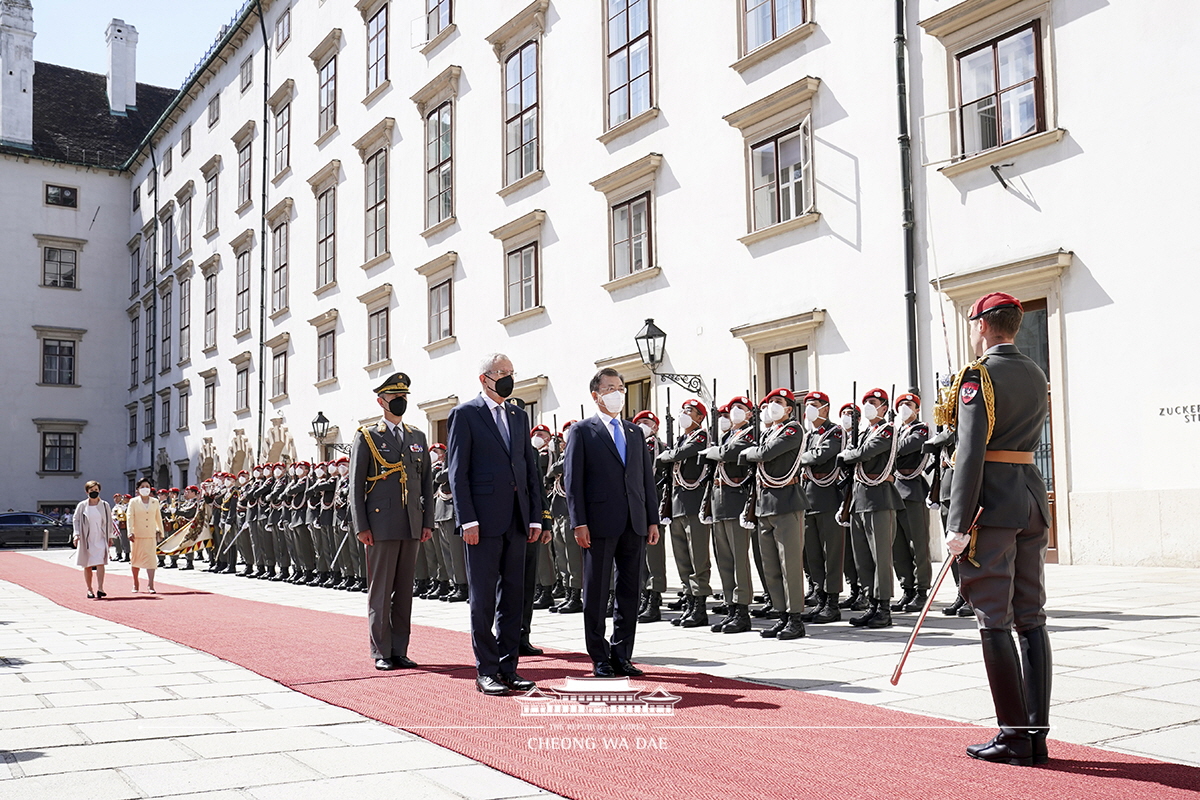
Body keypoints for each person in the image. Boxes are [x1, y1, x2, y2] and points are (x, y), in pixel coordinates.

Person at [943, 292, 1052, 767]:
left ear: (983, 326)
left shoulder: (978, 375)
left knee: (993, 616)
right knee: (1031, 616)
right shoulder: (1034, 371)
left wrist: (957, 523)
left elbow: (969, 452)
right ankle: (1035, 735)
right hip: (1029, 496)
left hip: (992, 505)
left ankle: (1013, 736)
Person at [446, 353, 543, 697]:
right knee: (483, 598)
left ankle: (509, 667)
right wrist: (466, 518)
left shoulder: (518, 415)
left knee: (513, 597)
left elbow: (528, 468)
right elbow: (457, 472)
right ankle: (486, 669)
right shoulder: (465, 414)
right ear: (483, 378)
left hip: (517, 519)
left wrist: (535, 515)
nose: (507, 378)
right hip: (482, 522)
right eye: (501, 372)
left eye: (511, 372)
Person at [565, 368, 660, 677]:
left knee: (630, 591)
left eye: (620, 387)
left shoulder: (634, 432)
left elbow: (646, 480)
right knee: (595, 592)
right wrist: (579, 522)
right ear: (596, 395)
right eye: (610, 388)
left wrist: (652, 520)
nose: (618, 392)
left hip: (634, 522)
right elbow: (573, 481)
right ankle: (599, 656)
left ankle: (622, 653)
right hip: (598, 524)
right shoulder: (582, 431)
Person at [350, 372, 435, 671]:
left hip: (411, 523)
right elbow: (356, 485)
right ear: (381, 401)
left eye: (403, 398)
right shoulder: (367, 436)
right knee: (381, 590)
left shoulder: (417, 437)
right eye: (394, 398)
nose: (400, 402)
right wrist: (361, 526)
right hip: (381, 524)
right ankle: (381, 651)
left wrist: (428, 521)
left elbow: (426, 483)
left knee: (404, 590)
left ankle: (400, 649)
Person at [740, 389, 810, 640]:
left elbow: (765, 453)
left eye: (778, 402)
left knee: (789, 564)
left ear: (790, 408)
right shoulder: (769, 432)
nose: (772, 406)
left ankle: (795, 618)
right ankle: (781, 614)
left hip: (786, 501)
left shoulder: (793, 430)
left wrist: (749, 453)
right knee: (771, 565)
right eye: (770, 403)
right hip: (765, 502)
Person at [837, 388, 901, 629]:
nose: (868, 407)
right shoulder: (864, 432)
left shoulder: (887, 430)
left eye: (873, 402)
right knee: (863, 557)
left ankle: (883, 608)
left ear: (884, 407)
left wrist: (849, 454)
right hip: (859, 498)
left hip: (879, 498)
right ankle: (871, 603)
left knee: (880, 556)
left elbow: (865, 453)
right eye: (866, 403)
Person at [657, 399, 713, 628]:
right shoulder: (681, 439)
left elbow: (677, 455)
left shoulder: (701, 436)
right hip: (678, 503)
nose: (684, 415)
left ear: (700, 417)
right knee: (682, 558)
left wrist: (670, 455)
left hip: (693, 502)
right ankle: (689, 600)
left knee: (697, 556)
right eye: (683, 411)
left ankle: (699, 606)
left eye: (689, 411)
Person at [703, 397, 757, 634]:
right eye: (732, 409)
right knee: (723, 559)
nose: (734, 413)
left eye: (740, 409)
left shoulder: (748, 434)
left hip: (736, 502)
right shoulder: (726, 436)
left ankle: (743, 609)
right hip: (719, 502)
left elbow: (731, 453)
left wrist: (714, 451)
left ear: (749, 414)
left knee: (738, 559)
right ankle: (730, 606)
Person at [797, 391, 845, 624]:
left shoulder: (835, 431)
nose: (809, 409)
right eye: (807, 405)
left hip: (827, 499)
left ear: (825, 408)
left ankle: (833, 603)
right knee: (813, 554)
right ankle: (820, 597)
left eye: (814, 405)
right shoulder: (809, 435)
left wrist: (800, 457)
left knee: (831, 554)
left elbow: (821, 455)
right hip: (807, 499)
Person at [890, 393, 932, 613]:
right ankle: (907, 588)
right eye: (902, 405)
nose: (905, 408)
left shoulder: (921, 429)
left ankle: (921, 590)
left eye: (909, 405)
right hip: (895, 492)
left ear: (917, 409)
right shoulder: (895, 431)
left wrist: (886, 443)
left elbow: (905, 447)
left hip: (913, 490)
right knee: (898, 546)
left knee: (918, 544)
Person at [73, 481, 114, 599]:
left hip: (101, 537)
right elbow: (76, 520)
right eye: (91, 490)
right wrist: (76, 534)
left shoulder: (105, 505)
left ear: (99, 490)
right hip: (87, 538)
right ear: (87, 492)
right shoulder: (82, 506)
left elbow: (109, 521)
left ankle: (100, 588)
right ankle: (89, 589)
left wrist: (110, 536)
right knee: (88, 564)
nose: (94, 492)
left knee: (101, 562)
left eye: (96, 489)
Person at [127, 478, 164, 593]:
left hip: (150, 535)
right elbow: (130, 517)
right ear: (138, 489)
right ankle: (135, 582)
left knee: (151, 559)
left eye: (147, 486)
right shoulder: (133, 502)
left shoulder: (155, 501)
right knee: (135, 559)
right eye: (142, 486)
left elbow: (158, 517)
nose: (145, 489)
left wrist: (160, 531)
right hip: (137, 534)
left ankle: (151, 584)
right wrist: (130, 531)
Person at [111, 493, 131, 563]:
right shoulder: (116, 506)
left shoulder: (125, 506)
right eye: (115, 498)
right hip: (116, 525)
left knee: (124, 540)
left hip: (123, 524)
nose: (116, 499)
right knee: (116, 540)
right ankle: (118, 554)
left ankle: (127, 555)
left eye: (118, 497)